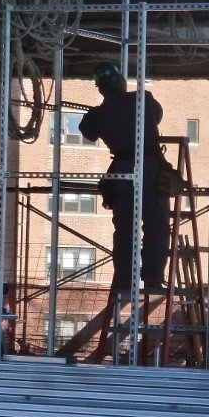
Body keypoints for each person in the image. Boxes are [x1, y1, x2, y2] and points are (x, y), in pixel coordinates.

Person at [79, 62, 170, 292]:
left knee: (125, 228)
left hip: (123, 171)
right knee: (157, 224)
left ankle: (125, 279)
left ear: (100, 89)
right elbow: (157, 116)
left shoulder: (97, 115)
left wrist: (100, 112)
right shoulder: (144, 99)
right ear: (120, 81)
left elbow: (87, 131)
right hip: (151, 168)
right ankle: (153, 277)